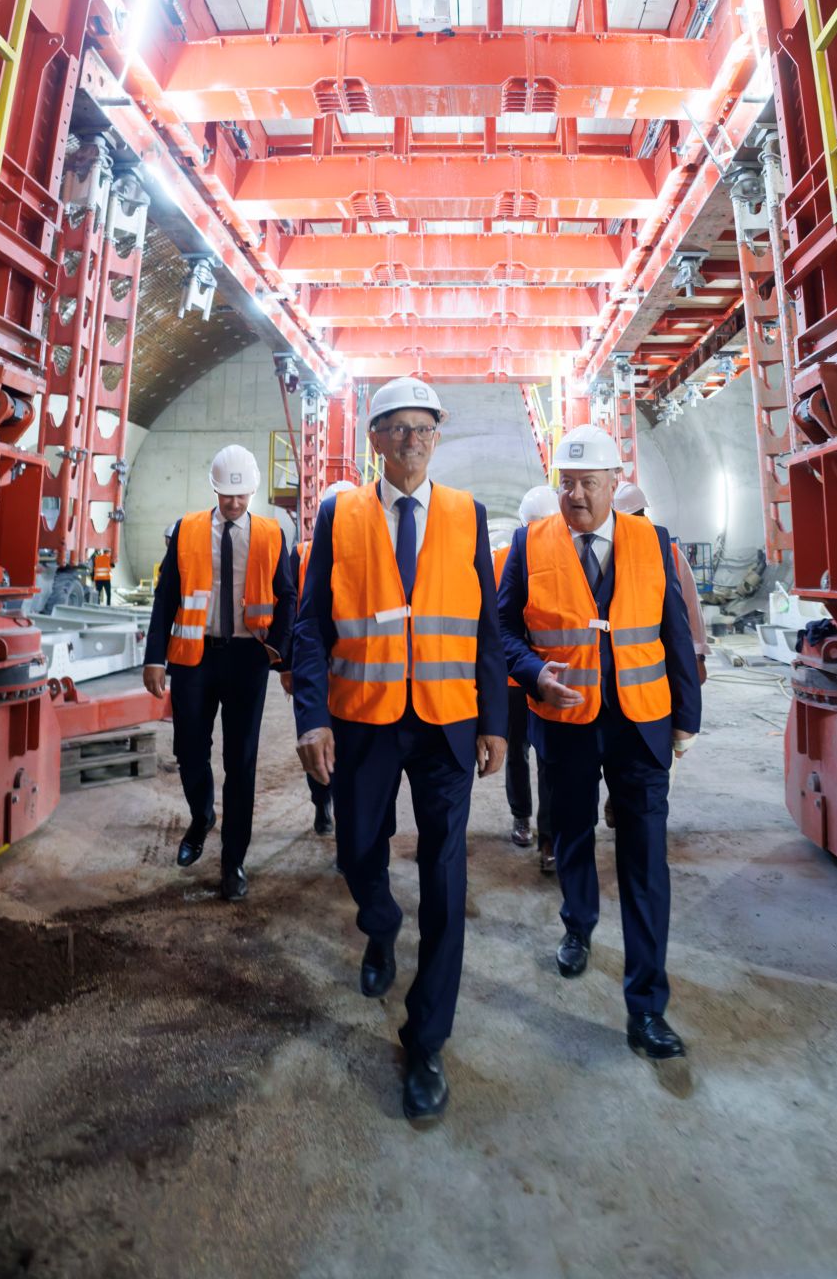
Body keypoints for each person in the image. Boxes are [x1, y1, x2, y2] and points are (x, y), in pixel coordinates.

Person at [291, 376, 507, 1124]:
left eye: (424, 428)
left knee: (446, 882)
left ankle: (427, 1040)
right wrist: (310, 716)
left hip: (447, 722)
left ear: (436, 437)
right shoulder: (338, 513)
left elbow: (484, 630)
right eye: (396, 428)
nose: (411, 440)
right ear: (374, 439)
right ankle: (379, 925)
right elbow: (310, 625)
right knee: (357, 852)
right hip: (365, 718)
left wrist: (496, 721)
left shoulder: (466, 515)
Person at [498, 424, 701, 1061]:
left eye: (589, 482)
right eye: (568, 482)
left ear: (616, 482)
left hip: (641, 724)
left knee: (646, 863)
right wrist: (532, 674)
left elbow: (675, 632)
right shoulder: (530, 546)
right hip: (567, 722)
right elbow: (500, 629)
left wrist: (688, 717)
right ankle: (578, 924)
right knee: (575, 835)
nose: (577, 493)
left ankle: (647, 1008)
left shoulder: (652, 541)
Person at [144, 444, 296, 902]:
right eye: (226, 495)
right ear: (213, 488)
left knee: (241, 761)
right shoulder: (187, 530)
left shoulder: (271, 534)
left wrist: (281, 653)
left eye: (242, 496)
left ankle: (234, 861)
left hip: (248, 658)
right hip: (194, 656)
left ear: (252, 491)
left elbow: (287, 596)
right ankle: (201, 815)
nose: (233, 504)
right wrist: (154, 658)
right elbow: (165, 596)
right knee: (189, 748)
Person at [605, 480, 708, 831]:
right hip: (630, 686)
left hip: (655, 683)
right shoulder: (612, 551)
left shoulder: (662, 549)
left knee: (658, 766)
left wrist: (697, 655)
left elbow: (685, 616)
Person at [497, 485, 558, 872]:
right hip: (525, 678)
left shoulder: (568, 554)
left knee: (531, 755)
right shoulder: (505, 557)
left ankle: (537, 828)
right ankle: (539, 831)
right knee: (533, 755)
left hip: (547, 677)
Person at [290, 479, 356, 839]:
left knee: (351, 752)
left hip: (355, 673)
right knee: (316, 741)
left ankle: (347, 821)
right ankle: (321, 803)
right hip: (316, 670)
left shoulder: (371, 553)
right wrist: (288, 667)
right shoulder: (301, 555)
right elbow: (295, 618)